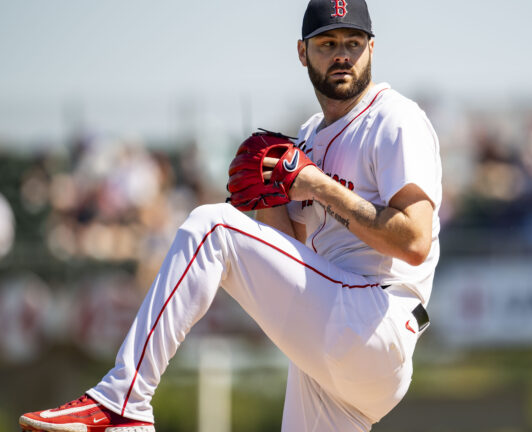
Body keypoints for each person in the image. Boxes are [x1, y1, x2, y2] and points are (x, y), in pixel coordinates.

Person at [19, 0, 442, 431]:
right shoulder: (309, 136)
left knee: (213, 226)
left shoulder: (395, 119)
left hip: (377, 319)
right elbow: (297, 255)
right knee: (227, 230)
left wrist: (316, 184)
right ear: (302, 53)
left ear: (372, 48)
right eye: (327, 43)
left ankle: (123, 400)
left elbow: (413, 240)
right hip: (336, 343)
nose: (342, 54)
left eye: (353, 43)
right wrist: (266, 201)